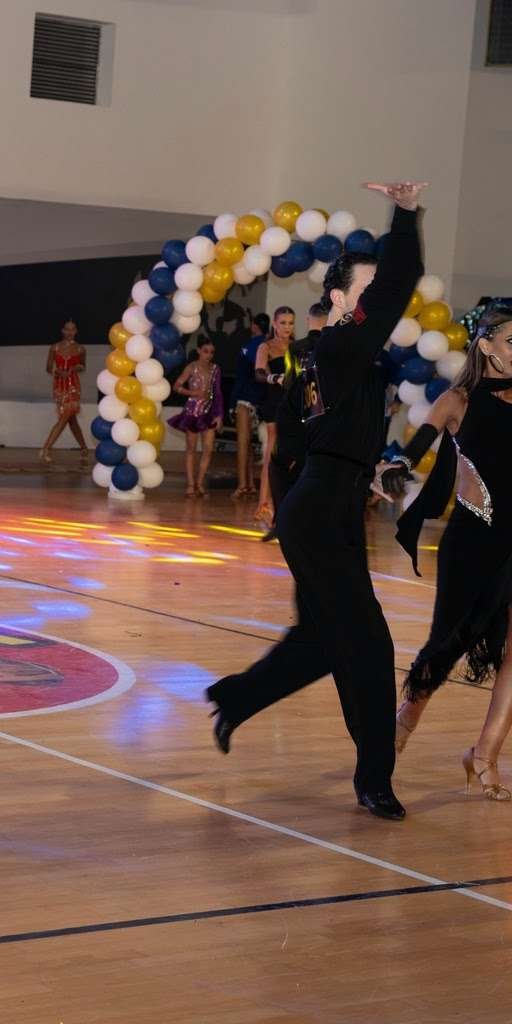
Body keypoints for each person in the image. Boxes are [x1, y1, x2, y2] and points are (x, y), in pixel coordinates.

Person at [206, 181, 427, 822]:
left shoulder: (332, 357)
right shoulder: (342, 344)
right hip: (322, 510)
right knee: (370, 646)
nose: (379, 297)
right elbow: (401, 282)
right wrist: (405, 216)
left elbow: (295, 443)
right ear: (340, 299)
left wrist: (364, 471)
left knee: (324, 639)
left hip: (324, 505)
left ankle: (235, 698)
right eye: (368, 288)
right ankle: (374, 780)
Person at [387, 304, 512, 801]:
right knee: (446, 645)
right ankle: (401, 725)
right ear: (486, 345)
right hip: (472, 541)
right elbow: (416, 446)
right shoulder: (458, 400)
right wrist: (396, 466)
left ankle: (484, 753)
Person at [260, 304, 326, 542]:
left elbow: (290, 383)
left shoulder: (297, 348)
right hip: (319, 417)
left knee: (279, 464)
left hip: (294, 414)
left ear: (308, 320)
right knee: (306, 466)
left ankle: (283, 520)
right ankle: (301, 522)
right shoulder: (332, 346)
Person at [253, 306, 298, 527]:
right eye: (283, 323)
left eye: (291, 323)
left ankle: (284, 504)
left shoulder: (297, 347)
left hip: (294, 406)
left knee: (293, 457)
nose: (287, 327)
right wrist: (275, 378)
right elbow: (259, 373)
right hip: (274, 404)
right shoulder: (266, 346)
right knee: (271, 454)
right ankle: (263, 504)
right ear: (274, 324)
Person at [167, 337, 223, 497]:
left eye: (211, 352)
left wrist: (219, 415)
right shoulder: (191, 367)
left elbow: (218, 393)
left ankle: (200, 482)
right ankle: (191, 485)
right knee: (191, 449)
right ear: (198, 350)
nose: (208, 355)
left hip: (209, 413)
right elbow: (176, 386)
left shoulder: (215, 369)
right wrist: (192, 393)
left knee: (208, 449)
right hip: (192, 412)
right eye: (205, 351)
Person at [40, 318, 88, 467]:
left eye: (72, 329)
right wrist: (58, 371)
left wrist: (74, 368)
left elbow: (83, 366)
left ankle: (46, 449)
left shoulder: (80, 349)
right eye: (67, 329)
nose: (70, 332)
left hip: (73, 385)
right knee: (71, 419)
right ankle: (84, 448)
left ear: (76, 331)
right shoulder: (54, 347)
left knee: (64, 417)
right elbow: (48, 367)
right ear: (62, 331)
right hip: (59, 386)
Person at [232, 313, 270, 498]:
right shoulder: (268, 344)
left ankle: (242, 485)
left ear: (254, 326)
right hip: (262, 399)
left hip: (246, 399)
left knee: (243, 442)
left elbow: (260, 369)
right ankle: (250, 485)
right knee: (249, 445)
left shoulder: (255, 345)